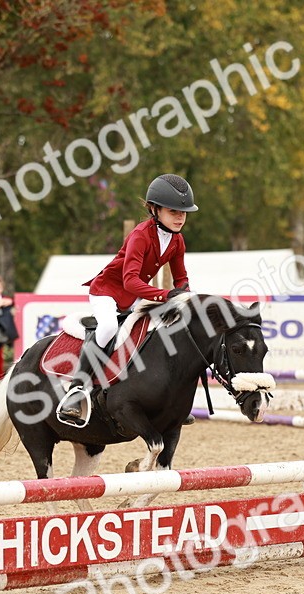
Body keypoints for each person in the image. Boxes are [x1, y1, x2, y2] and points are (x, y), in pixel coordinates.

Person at [56, 173, 197, 424]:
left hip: (134, 296)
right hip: (107, 292)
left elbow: (181, 278)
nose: (180, 217)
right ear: (154, 210)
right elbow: (130, 280)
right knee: (109, 327)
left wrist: (186, 298)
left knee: (166, 327)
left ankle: (169, 400)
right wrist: (166, 295)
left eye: (183, 212)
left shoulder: (177, 240)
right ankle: (76, 389)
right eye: (173, 211)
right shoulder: (140, 235)